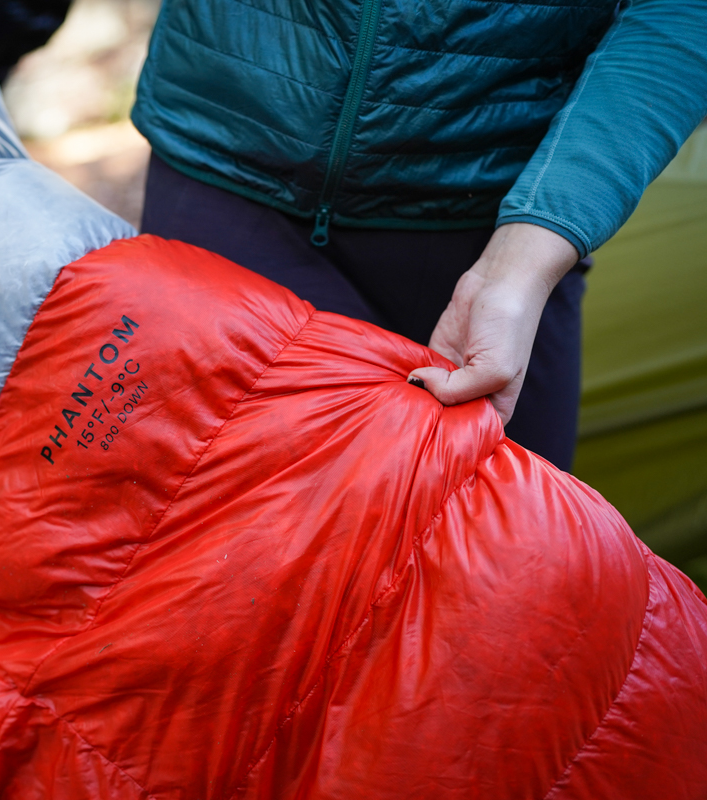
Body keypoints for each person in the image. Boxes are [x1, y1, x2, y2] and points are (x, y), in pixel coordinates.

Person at [130, 0, 707, 471]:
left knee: (501, 560)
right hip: (226, 178)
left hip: (496, 226)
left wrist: (524, 260)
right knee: (218, 541)